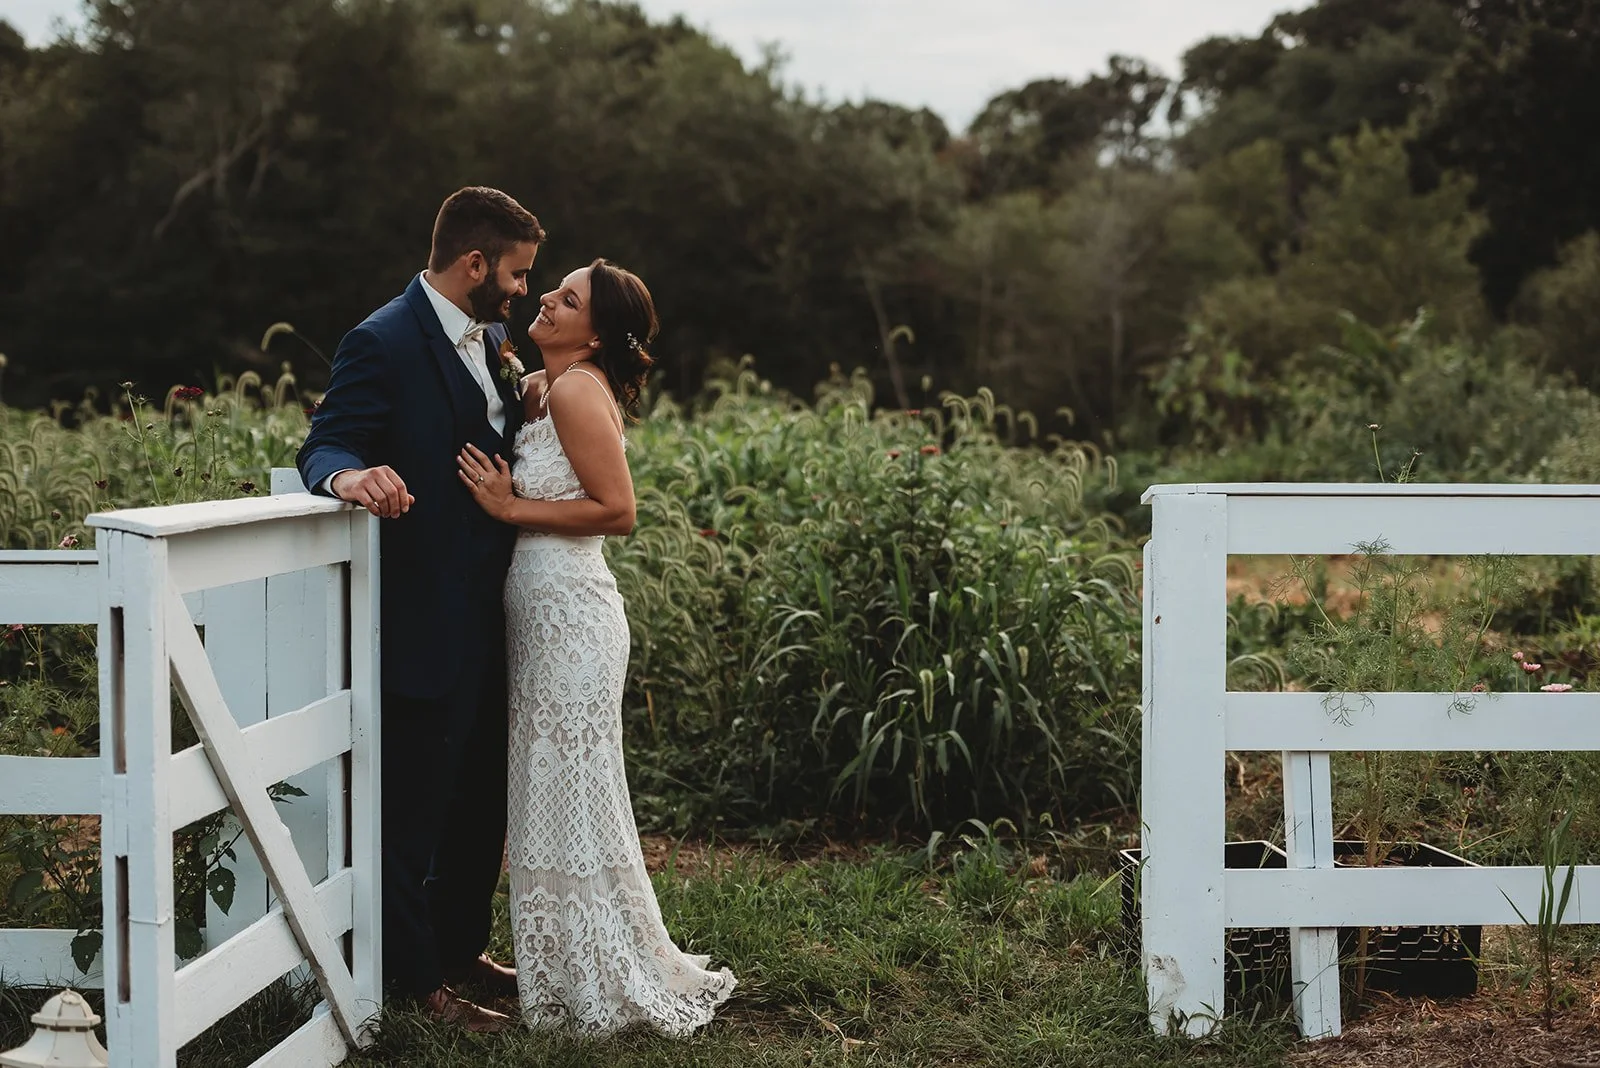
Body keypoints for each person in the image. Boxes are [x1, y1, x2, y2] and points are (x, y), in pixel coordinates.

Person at [456, 258, 738, 1034]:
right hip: (543, 618)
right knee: (561, 796)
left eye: (568, 298)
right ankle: (575, 967)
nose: (547, 296)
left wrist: (510, 506)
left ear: (596, 332)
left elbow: (617, 511)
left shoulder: (579, 389)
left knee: (567, 799)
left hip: (572, 619)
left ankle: (590, 983)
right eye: (555, 288)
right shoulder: (551, 386)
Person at [297, 186, 544, 1032]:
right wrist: (351, 477)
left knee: (480, 798)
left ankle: (456, 944)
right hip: (423, 615)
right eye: (514, 275)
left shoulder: (498, 341)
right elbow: (326, 440)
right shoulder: (382, 340)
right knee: (412, 808)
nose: (521, 293)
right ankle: (413, 983)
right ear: (474, 263)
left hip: (493, 612)